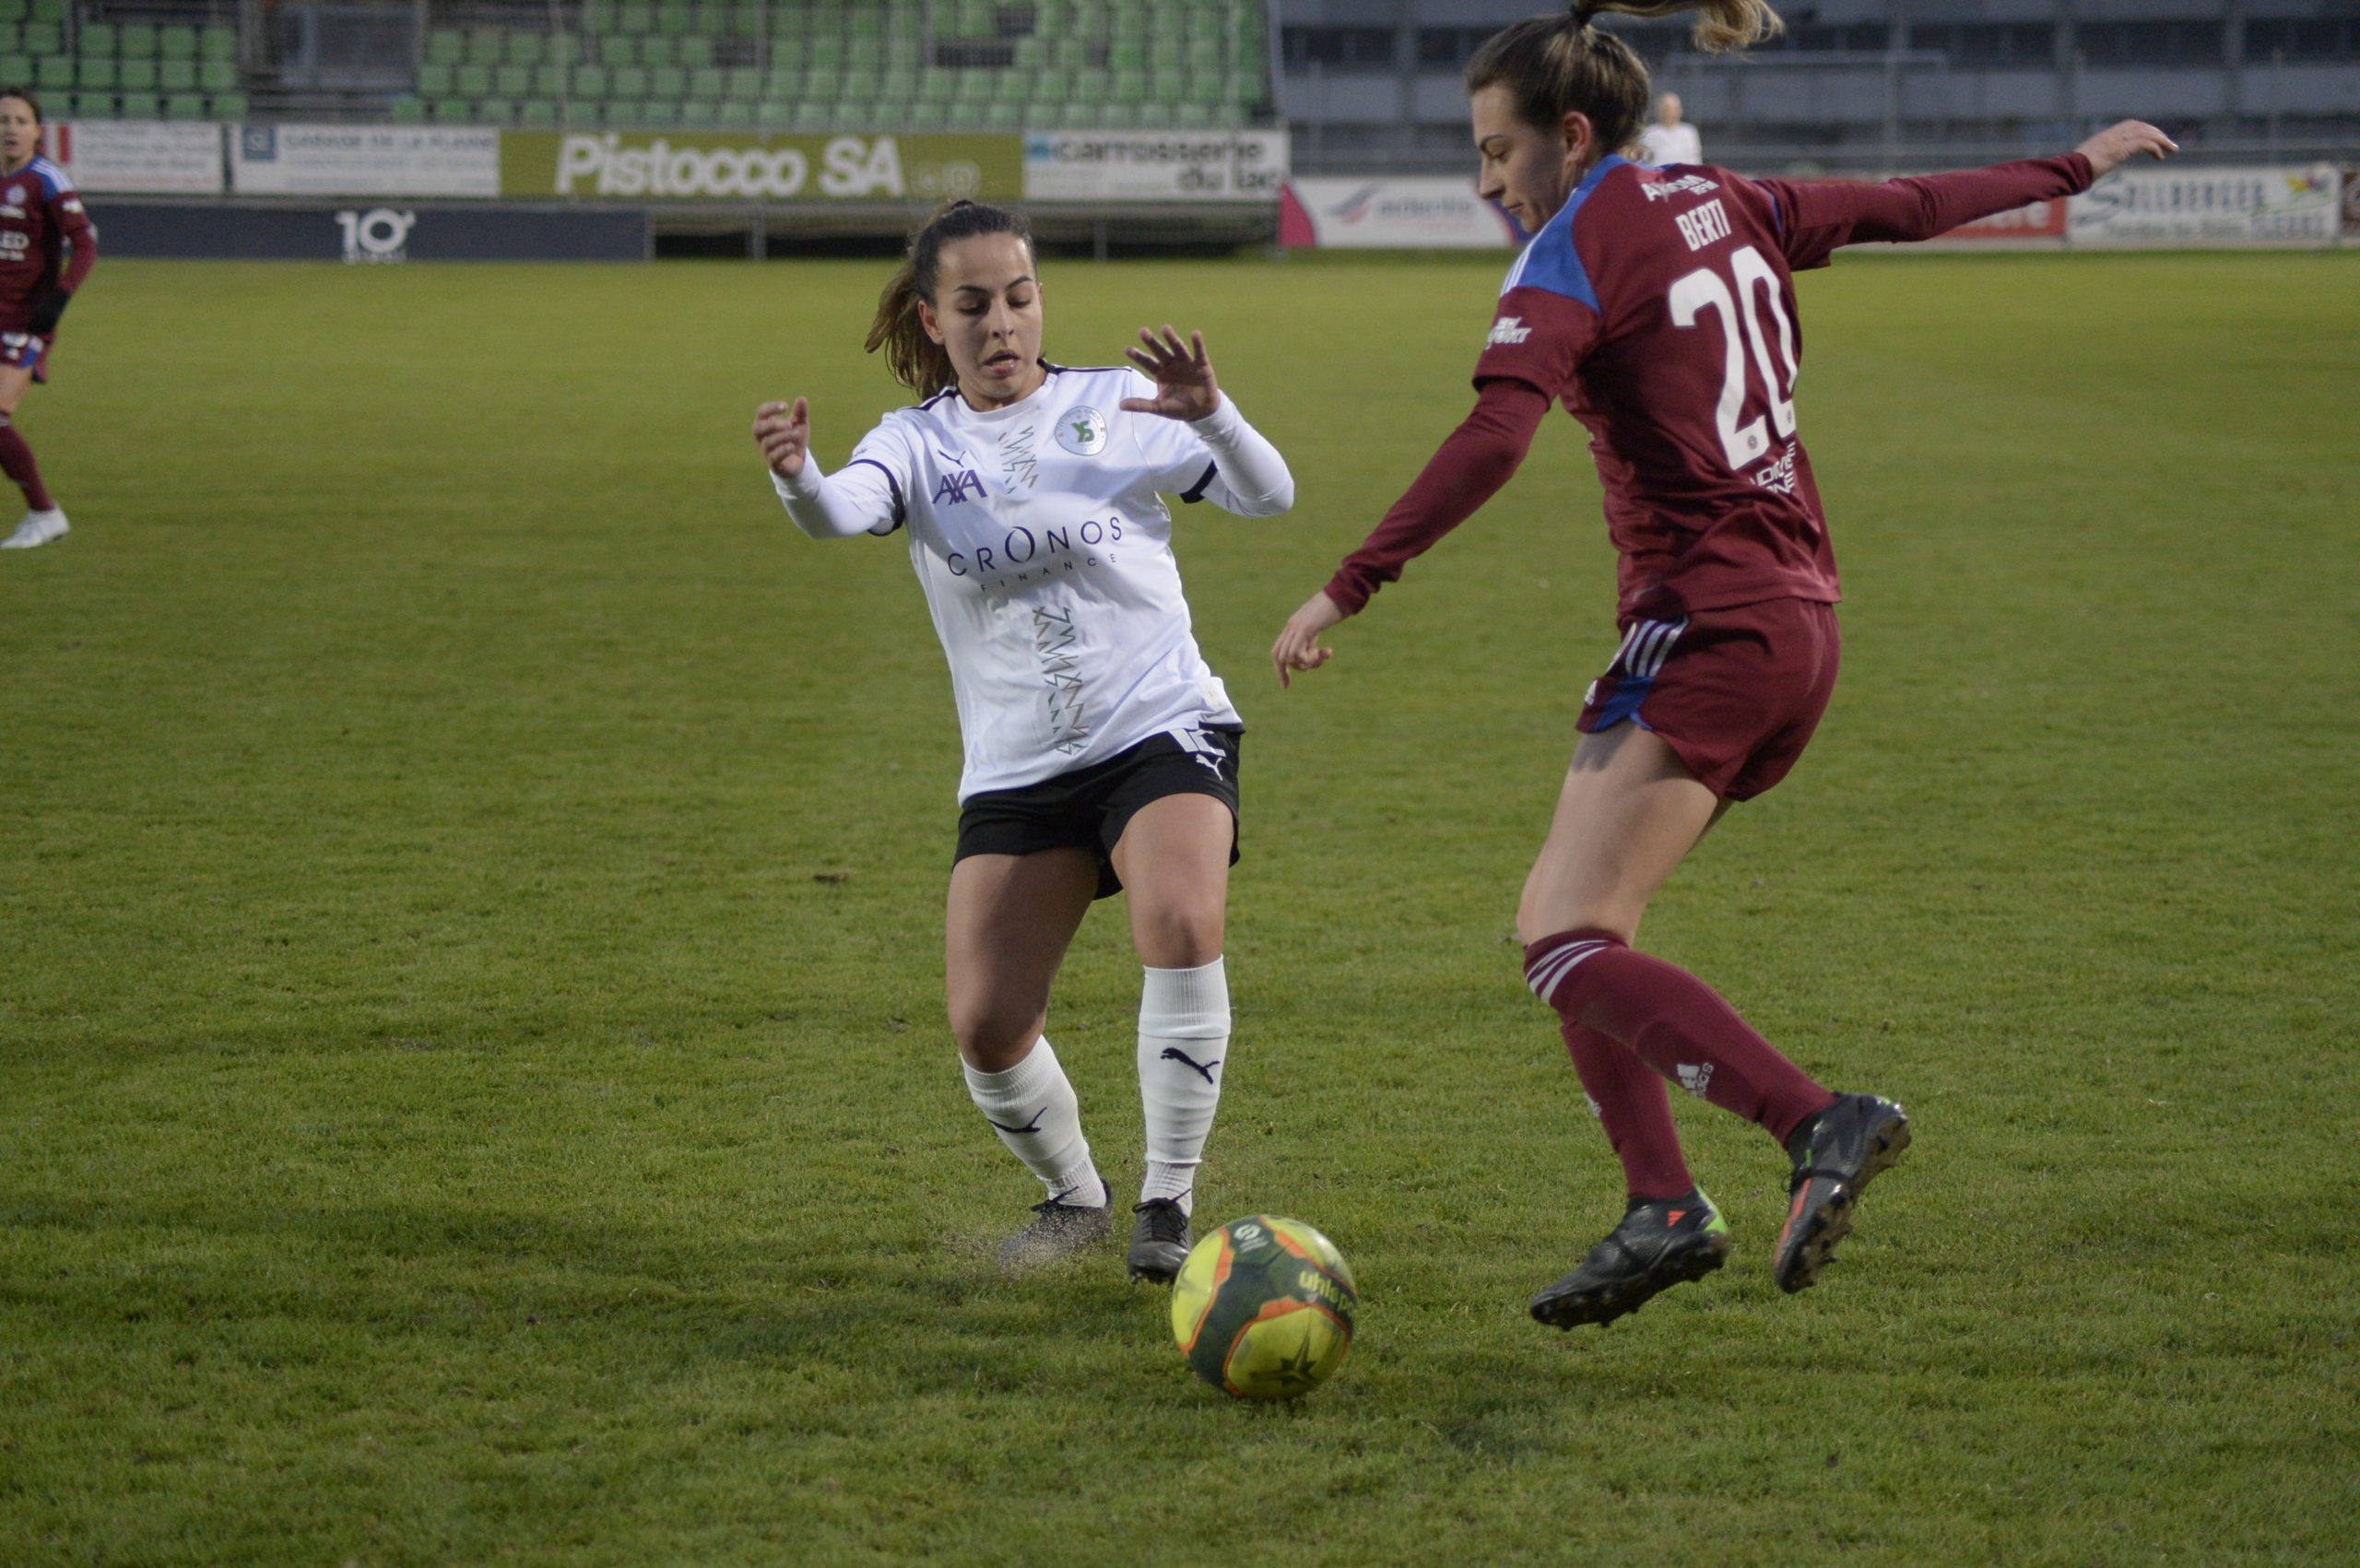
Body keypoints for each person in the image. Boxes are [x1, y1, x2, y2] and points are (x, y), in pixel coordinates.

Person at [1270, 0, 2175, 1327]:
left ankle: (1818, 1119)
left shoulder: (1573, 252)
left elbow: (1495, 438)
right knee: (1570, 924)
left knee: (1564, 941)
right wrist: (2072, 167)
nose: (1484, 182)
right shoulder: (1727, 194)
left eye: (1497, 151)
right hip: (1788, 616)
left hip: (1716, 622)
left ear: (1570, 138)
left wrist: (1350, 581)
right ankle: (1661, 1206)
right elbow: (1911, 204)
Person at [752, 200, 1295, 1283]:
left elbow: (1268, 496)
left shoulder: (1117, 404)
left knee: (1182, 917)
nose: (1003, 322)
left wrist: (1213, 413)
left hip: (1157, 722)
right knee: (988, 1026)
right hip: (1019, 764)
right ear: (931, 317)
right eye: (974, 305)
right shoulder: (912, 443)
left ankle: (1166, 1200)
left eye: (1020, 296)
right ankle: (1075, 1195)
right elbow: (842, 513)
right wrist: (800, 476)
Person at [0, 89, 92, 550]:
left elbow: (86, 245)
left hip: (26, 320)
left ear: (37, 131)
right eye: (3, 120)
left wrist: (58, 299)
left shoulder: (46, 179)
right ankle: (41, 514)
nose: (10, 128)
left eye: (20, 120)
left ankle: (44, 514)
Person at [1637, 90, 1700, 166]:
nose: (1669, 113)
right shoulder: (1649, 133)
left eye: (1673, 109)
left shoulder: (1689, 132)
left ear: (1680, 111)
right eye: (1666, 109)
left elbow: (1695, 159)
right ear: (1658, 111)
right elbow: (1644, 161)